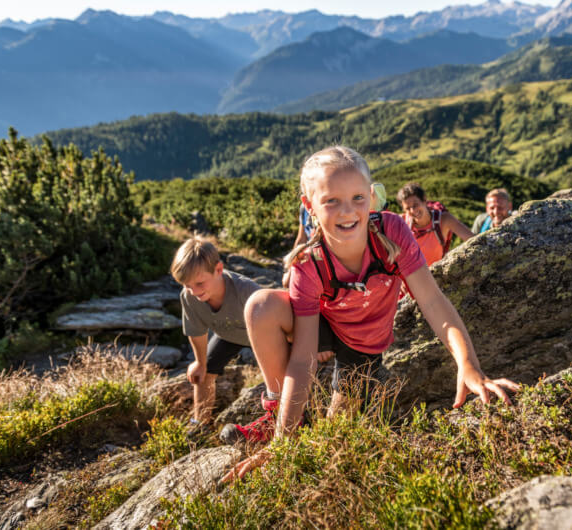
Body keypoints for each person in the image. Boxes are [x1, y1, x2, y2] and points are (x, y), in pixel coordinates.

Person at [223, 146, 519, 481]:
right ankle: (281, 414)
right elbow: (302, 357)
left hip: (362, 345)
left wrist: (469, 365)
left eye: (357, 198)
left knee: (332, 442)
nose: (347, 211)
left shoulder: (391, 232)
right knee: (261, 306)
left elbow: (433, 302)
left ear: (372, 197)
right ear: (309, 206)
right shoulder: (309, 263)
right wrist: (283, 444)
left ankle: (303, 420)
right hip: (323, 324)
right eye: (331, 200)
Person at [170, 236, 261, 434]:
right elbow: (197, 331)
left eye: (200, 283)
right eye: (187, 285)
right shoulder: (189, 296)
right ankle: (200, 427)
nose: (194, 291)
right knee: (203, 375)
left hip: (262, 334)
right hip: (227, 334)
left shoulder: (248, 291)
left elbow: (280, 322)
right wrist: (200, 363)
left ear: (218, 270)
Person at [282, 182, 387, 287]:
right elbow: (301, 238)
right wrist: (291, 267)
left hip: (330, 260)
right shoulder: (303, 209)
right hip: (313, 257)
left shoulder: (336, 208)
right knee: (287, 284)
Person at [397, 182, 474, 266]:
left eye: (415, 205)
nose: (412, 211)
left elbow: (474, 239)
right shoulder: (401, 222)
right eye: (408, 208)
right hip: (411, 276)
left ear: (424, 200)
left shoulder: (444, 220)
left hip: (436, 274)